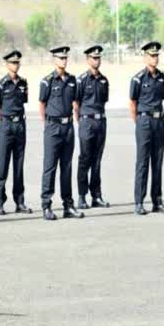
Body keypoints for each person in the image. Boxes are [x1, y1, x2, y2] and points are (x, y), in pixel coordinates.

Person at [39, 46, 84, 221]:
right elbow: (42, 105)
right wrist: (48, 124)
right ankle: (46, 206)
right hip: (53, 127)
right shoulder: (47, 81)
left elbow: (75, 102)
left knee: (66, 167)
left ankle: (68, 205)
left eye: (65, 58)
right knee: (50, 167)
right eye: (60, 58)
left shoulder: (72, 80)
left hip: (68, 128)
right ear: (54, 60)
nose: (63, 61)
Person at [130, 41, 164, 215]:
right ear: (145, 57)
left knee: (158, 162)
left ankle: (157, 200)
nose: (155, 58)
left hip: (159, 121)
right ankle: (139, 201)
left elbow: (162, 98)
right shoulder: (138, 78)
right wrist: (139, 122)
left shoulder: (162, 77)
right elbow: (133, 104)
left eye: (156, 55)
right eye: (152, 55)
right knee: (142, 162)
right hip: (144, 121)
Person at [0, 50, 32, 215]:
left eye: (17, 63)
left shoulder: (23, 83)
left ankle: (19, 201)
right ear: (7, 64)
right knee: (3, 165)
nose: (15, 65)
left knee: (19, 165)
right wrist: (2, 125)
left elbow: (24, 102)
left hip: (20, 125)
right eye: (13, 63)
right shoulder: (1, 84)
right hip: (7, 126)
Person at [75, 45, 111, 210]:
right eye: (93, 58)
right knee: (85, 159)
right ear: (88, 60)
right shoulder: (81, 80)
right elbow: (76, 103)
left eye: (98, 58)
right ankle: (82, 196)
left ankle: (96, 195)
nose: (96, 60)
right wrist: (81, 122)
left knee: (97, 161)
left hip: (100, 122)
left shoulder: (104, 80)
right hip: (86, 122)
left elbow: (103, 102)